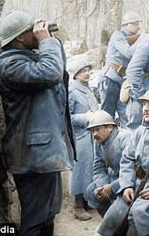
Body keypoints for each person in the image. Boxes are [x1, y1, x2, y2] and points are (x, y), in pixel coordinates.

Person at [0, 10, 75, 236]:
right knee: (35, 221)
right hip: (32, 156)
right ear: (20, 37)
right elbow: (51, 73)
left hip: (43, 153)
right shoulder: (9, 65)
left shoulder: (27, 58)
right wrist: (46, 42)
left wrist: (49, 41)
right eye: (33, 30)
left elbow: (59, 71)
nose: (39, 33)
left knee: (48, 215)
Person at [97, 87, 149, 236]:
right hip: (136, 186)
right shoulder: (140, 131)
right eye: (143, 104)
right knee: (113, 216)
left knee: (139, 217)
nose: (145, 109)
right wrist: (127, 185)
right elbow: (127, 158)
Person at [84, 110, 134, 216]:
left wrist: (112, 187)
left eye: (97, 129)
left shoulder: (125, 138)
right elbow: (98, 167)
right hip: (113, 179)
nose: (94, 135)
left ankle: (118, 222)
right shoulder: (98, 142)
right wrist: (102, 185)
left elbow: (135, 169)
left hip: (130, 180)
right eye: (93, 131)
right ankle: (109, 221)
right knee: (91, 191)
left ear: (110, 127)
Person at [67, 57, 99, 221]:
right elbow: (67, 117)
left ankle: (87, 201)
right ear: (76, 75)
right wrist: (84, 117)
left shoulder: (89, 89)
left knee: (92, 167)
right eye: (83, 71)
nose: (87, 73)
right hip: (79, 135)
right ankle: (77, 206)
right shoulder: (72, 91)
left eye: (88, 70)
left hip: (92, 133)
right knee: (80, 169)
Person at [99, 11, 142, 124]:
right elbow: (128, 52)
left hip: (123, 81)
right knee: (106, 118)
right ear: (126, 24)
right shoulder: (117, 35)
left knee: (125, 116)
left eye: (138, 23)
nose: (138, 26)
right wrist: (142, 39)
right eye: (135, 23)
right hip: (110, 79)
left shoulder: (134, 38)